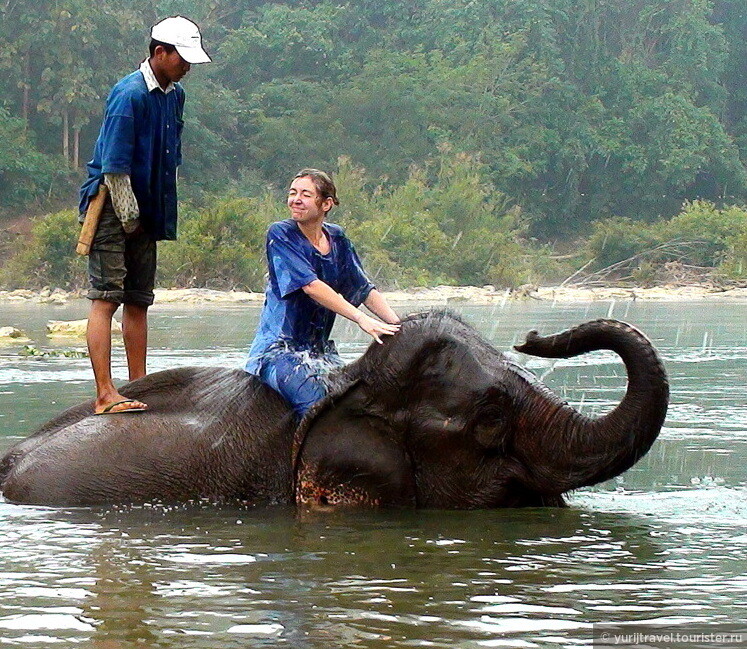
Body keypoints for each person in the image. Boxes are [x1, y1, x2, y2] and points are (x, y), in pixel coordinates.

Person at [78, 16, 211, 415]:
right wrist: (129, 218)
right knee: (107, 298)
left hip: (147, 209)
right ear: (159, 53)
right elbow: (115, 169)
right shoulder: (129, 95)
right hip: (112, 209)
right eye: (181, 58)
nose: (186, 66)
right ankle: (105, 392)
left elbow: (170, 154)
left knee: (139, 300)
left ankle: (138, 385)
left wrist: (148, 218)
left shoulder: (174, 95)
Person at [245, 169, 401, 418]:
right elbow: (311, 286)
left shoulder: (337, 238)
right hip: (279, 352)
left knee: (362, 403)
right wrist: (362, 319)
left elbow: (362, 288)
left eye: (305, 194)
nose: (295, 199)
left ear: (326, 204)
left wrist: (397, 325)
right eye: (292, 193)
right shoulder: (281, 234)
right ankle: (303, 458)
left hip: (321, 353)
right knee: (318, 407)